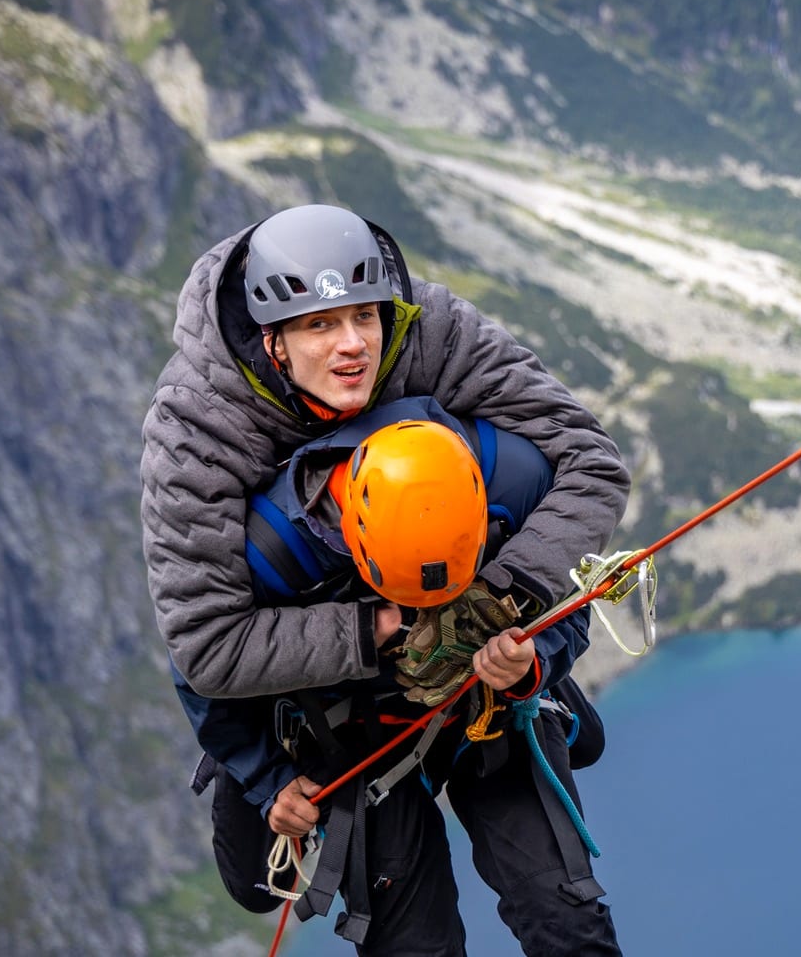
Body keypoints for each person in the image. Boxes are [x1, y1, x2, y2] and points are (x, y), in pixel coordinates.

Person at [141, 203, 630, 950]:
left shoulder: (428, 329)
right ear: (271, 340)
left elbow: (589, 464)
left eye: (364, 318)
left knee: (565, 921)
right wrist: (385, 632)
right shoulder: (200, 425)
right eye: (318, 326)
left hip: (480, 676)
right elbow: (206, 646)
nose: (352, 347)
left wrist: (503, 607)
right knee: (392, 934)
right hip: (336, 703)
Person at [177, 399, 615, 953]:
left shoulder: (520, 477)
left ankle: (536, 694)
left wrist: (533, 665)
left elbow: (568, 594)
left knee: (567, 925)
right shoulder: (271, 550)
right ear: (352, 539)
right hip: (356, 728)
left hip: (484, 699)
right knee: (289, 899)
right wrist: (269, 781)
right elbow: (204, 669)